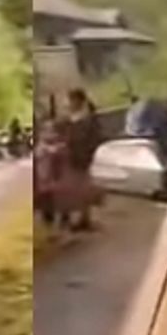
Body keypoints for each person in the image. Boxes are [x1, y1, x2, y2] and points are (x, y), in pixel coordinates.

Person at [59, 88, 103, 231]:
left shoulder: (85, 119)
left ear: (78, 101)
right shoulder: (77, 117)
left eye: (70, 100)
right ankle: (82, 217)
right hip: (77, 157)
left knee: (80, 188)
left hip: (80, 157)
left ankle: (82, 218)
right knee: (79, 188)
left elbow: (87, 138)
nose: (69, 103)